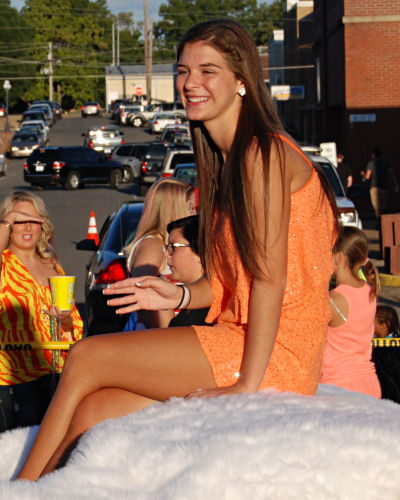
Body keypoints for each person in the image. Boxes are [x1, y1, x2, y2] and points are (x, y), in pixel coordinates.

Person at [17, 19, 337, 480]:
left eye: (208, 70)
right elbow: (234, 281)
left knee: (87, 356)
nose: (191, 83)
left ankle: (21, 489)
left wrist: (247, 384)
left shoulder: (261, 154)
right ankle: (47, 489)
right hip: (246, 338)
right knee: (96, 408)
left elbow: (270, 279)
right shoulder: (229, 163)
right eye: (183, 71)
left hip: (272, 355)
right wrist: (181, 296)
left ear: (242, 80)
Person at [0, 191, 83, 432]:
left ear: (42, 225)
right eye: (19, 220)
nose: (27, 227)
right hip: (13, 380)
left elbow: (73, 327)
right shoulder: (5, 264)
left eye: (33, 220)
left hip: (54, 376)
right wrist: (8, 217)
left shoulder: (53, 265)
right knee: (13, 455)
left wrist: (66, 319)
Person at [123, 178, 196, 329]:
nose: (194, 212)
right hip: (156, 340)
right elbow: (141, 295)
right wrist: (163, 337)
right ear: (174, 209)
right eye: (190, 207)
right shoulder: (153, 245)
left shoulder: (164, 243)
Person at [320, 227, 381, 398]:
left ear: (339, 257)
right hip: (369, 383)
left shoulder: (332, 300)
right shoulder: (370, 291)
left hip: (338, 386)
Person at [166, 215, 210, 328]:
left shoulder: (211, 314)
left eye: (173, 247)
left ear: (199, 251)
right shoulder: (189, 308)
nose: (167, 254)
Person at [361, 148, 399, 217]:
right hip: (384, 187)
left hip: (374, 187)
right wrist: (396, 185)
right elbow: (392, 175)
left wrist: (363, 174)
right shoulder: (386, 163)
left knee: (376, 207)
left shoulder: (371, 163)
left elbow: (367, 177)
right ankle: (383, 221)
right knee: (384, 207)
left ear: (373, 155)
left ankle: (379, 221)